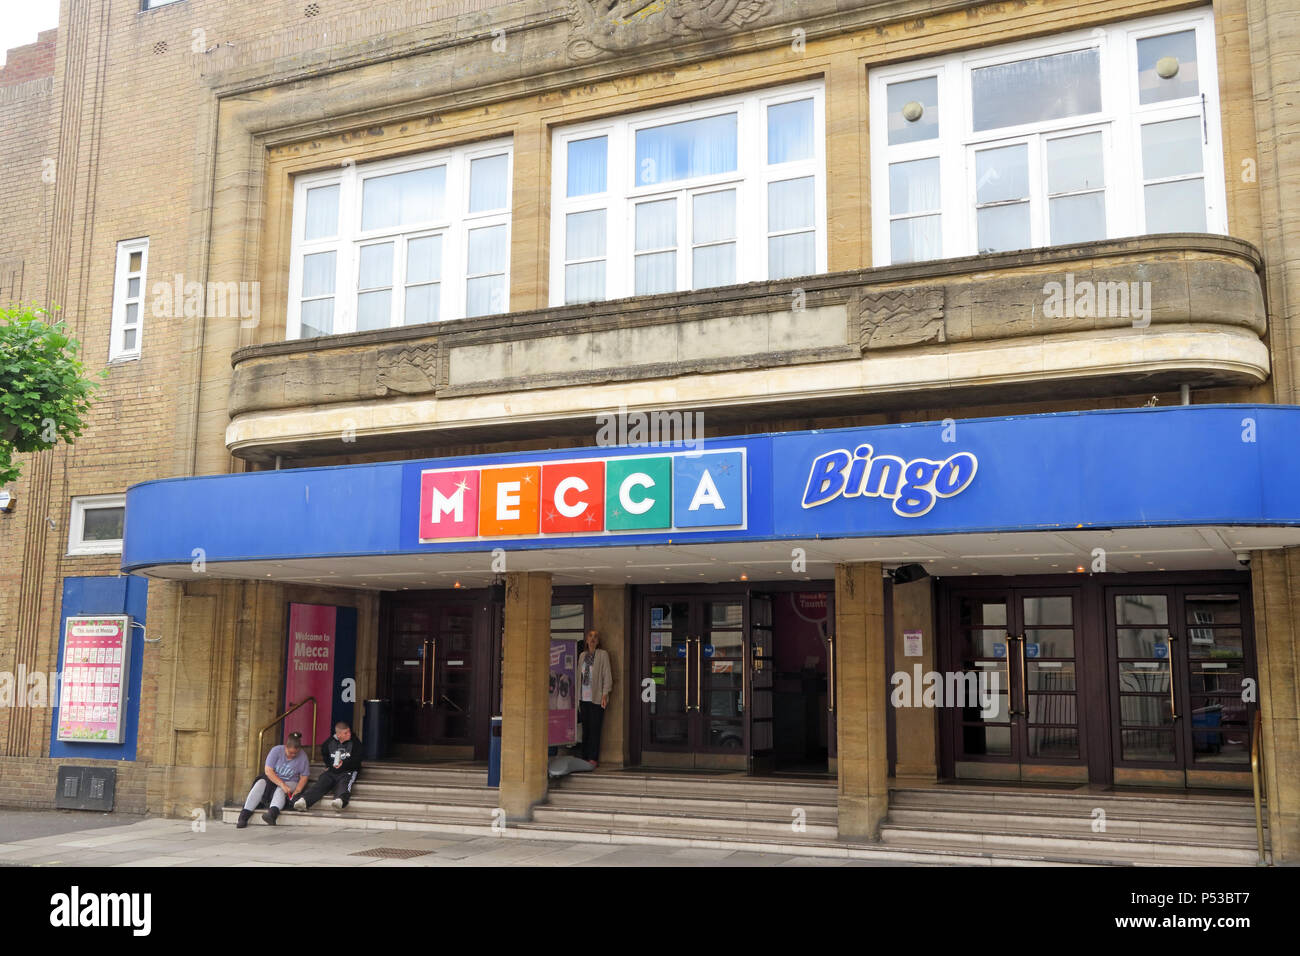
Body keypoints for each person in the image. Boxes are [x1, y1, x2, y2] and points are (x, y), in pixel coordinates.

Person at [237, 731, 310, 827]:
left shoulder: (303, 757)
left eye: (295, 753)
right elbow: (268, 771)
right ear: (285, 747)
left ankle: (272, 813)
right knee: (260, 783)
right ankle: (244, 815)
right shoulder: (276, 751)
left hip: (291, 781)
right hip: (274, 779)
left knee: (281, 790)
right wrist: (281, 783)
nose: (292, 755)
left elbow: (304, 776)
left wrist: (297, 790)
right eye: (290, 753)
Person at [294, 721, 362, 811]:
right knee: (321, 782)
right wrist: (329, 765)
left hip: (348, 771)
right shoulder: (330, 742)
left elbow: (358, 760)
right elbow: (324, 752)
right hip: (332, 770)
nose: (349, 734)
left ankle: (340, 800)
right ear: (339, 735)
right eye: (346, 733)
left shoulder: (355, 742)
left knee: (344, 784)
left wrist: (344, 764)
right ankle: (304, 801)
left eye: (349, 731)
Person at [577, 629, 612, 767]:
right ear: (586, 640)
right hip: (583, 698)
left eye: (595, 637)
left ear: (598, 641)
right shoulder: (582, 656)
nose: (592, 639)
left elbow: (607, 675)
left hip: (596, 697)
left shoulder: (603, 655)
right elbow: (578, 676)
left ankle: (593, 758)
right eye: (590, 636)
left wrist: (605, 694)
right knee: (585, 728)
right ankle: (584, 756)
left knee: (595, 728)